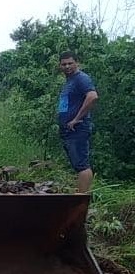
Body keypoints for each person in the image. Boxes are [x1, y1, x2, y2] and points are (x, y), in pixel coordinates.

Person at [57, 51, 98, 193]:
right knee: (77, 165)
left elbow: (92, 96)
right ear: (60, 66)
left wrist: (76, 119)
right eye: (64, 64)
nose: (67, 66)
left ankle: (81, 200)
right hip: (68, 130)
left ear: (77, 63)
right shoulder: (69, 81)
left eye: (70, 63)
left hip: (78, 128)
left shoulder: (81, 78)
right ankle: (79, 195)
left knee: (82, 165)